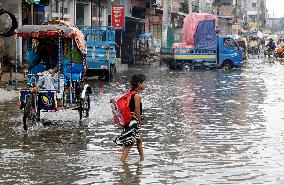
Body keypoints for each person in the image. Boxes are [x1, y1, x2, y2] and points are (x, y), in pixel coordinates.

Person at [114, 74, 147, 161]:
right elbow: (137, 111)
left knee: (139, 140)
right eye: (145, 82)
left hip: (130, 120)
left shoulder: (130, 93)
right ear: (139, 84)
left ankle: (142, 159)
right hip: (133, 121)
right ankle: (122, 163)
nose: (146, 84)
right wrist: (140, 120)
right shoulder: (137, 96)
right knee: (129, 144)